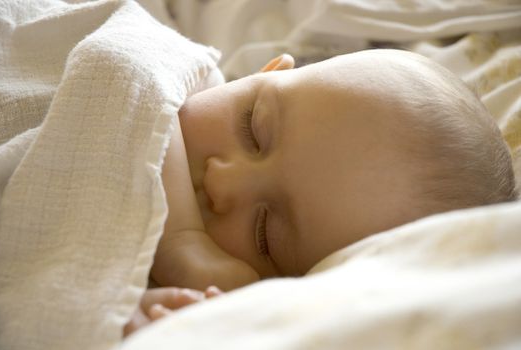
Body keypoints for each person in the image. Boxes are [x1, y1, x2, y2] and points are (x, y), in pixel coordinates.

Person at [124, 49, 518, 335]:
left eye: (265, 234)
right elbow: (128, 70)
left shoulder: (205, 294)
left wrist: (139, 312)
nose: (221, 182)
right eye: (252, 131)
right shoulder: (179, 70)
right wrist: (182, 242)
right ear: (267, 70)